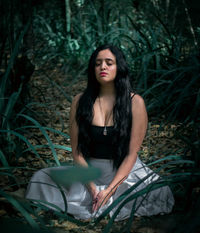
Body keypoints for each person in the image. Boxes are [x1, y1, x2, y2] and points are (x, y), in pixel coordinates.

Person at [26, 44, 174, 221]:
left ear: (119, 67)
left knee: (158, 190)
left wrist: (110, 189)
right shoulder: (80, 101)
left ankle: (109, 196)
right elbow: (77, 152)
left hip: (124, 171)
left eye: (109, 63)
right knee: (40, 179)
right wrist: (93, 189)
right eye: (98, 63)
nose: (102, 67)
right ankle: (96, 197)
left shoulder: (135, 102)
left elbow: (131, 154)